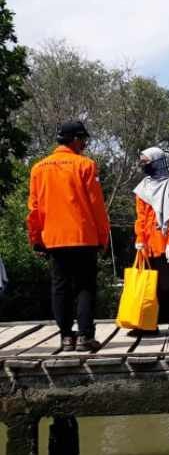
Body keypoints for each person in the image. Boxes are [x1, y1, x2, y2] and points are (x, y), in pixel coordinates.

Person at [26, 120, 109, 352]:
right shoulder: (86, 165)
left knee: (60, 287)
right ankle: (84, 337)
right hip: (83, 237)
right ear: (75, 139)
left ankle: (65, 338)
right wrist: (103, 236)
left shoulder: (38, 168)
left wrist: (35, 238)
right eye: (83, 140)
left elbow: (34, 208)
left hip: (53, 237)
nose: (84, 144)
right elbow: (97, 206)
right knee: (85, 286)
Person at [133, 146, 169, 336]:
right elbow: (140, 216)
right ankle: (149, 324)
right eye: (142, 161)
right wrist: (139, 239)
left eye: (146, 161)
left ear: (157, 161)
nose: (143, 165)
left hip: (166, 243)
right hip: (147, 244)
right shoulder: (143, 187)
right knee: (150, 286)